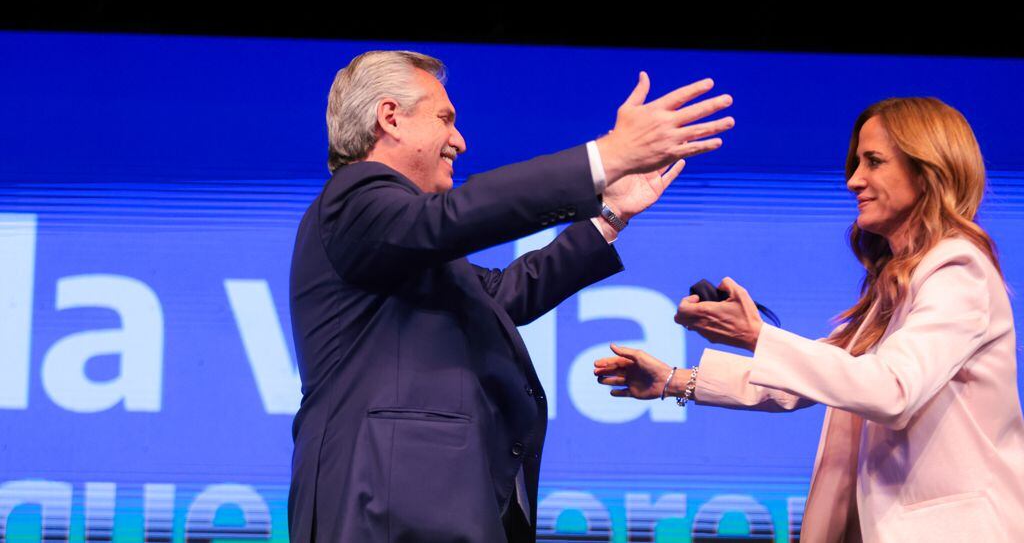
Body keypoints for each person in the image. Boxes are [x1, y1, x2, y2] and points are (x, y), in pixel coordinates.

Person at [288, 50, 735, 542]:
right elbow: (461, 214)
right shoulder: (356, 199)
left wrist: (610, 214)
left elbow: (499, 295)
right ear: (390, 117)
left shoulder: (401, 241)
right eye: (445, 119)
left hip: (431, 508)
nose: (459, 140)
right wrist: (606, 156)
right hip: (387, 511)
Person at [594, 97, 1024, 542]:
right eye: (856, 163)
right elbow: (816, 376)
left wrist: (758, 336)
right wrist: (672, 379)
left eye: (874, 162)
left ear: (927, 170)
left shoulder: (957, 269)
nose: (855, 180)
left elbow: (891, 389)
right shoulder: (896, 284)